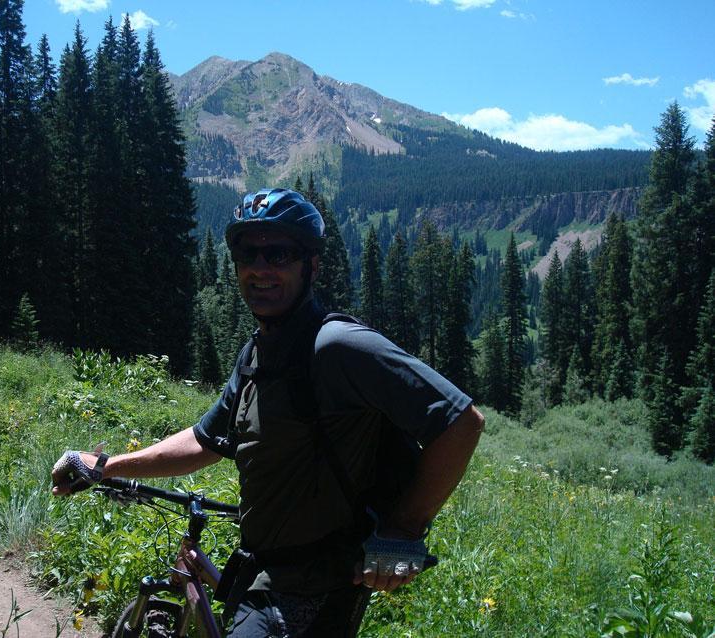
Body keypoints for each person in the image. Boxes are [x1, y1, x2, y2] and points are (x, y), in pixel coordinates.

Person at [52, 188, 484, 636]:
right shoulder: (257, 354)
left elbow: (460, 422)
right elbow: (205, 440)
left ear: (310, 265)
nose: (260, 267)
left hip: (313, 593)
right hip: (265, 577)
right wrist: (105, 466)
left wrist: (403, 529)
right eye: (247, 253)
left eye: (278, 253)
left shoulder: (337, 346)